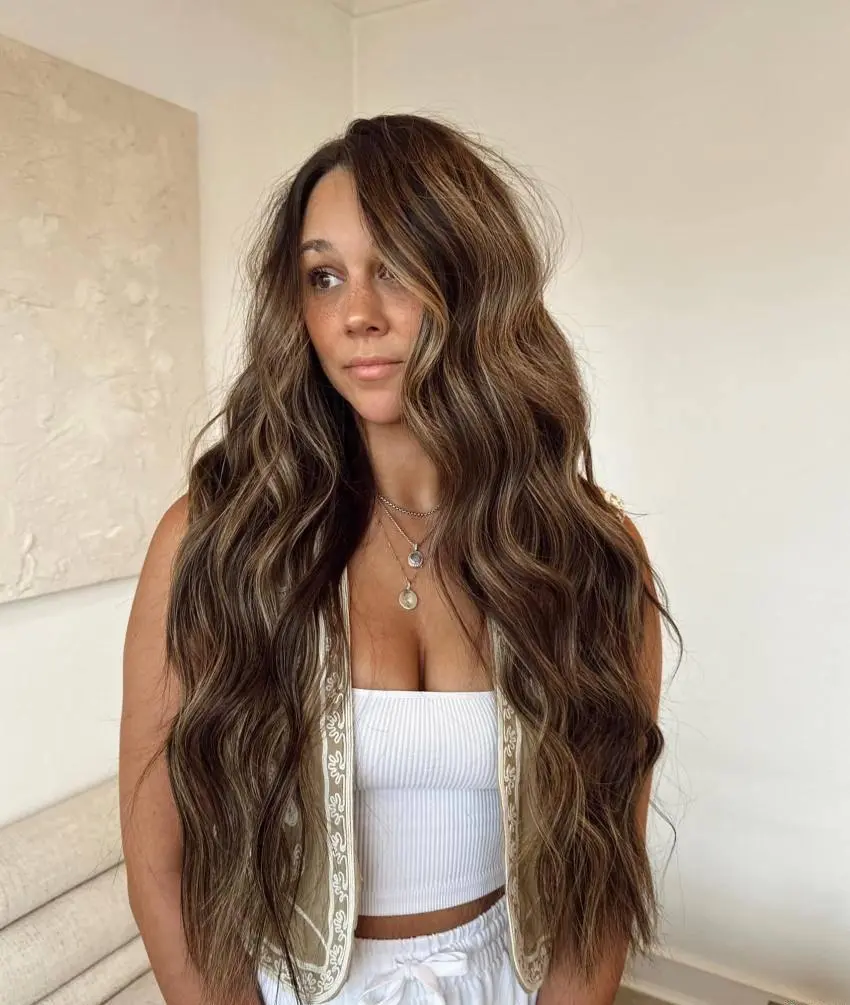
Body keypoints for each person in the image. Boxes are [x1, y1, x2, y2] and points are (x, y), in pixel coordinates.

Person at [119, 114, 680, 1005]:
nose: (358, 315)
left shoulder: (587, 554)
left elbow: (600, 871)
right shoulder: (214, 541)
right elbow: (159, 854)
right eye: (324, 276)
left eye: (395, 268)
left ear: (471, 279)